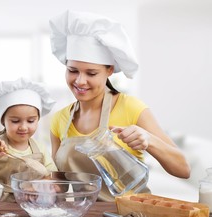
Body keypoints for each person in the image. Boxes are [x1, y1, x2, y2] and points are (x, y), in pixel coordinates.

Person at [48, 10, 191, 201]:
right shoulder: (59, 119)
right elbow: (60, 185)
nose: (80, 81)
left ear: (109, 70)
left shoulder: (130, 107)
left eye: (91, 73)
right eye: (73, 70)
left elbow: (183, 169)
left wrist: (148, 140)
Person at [0, 78, 58, 202]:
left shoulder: (40, 148)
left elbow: (52, 175)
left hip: (31, 206)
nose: (23, 127)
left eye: (31, 121)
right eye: (15, 121)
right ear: (3, 121)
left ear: (38, 119)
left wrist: (39, 185)